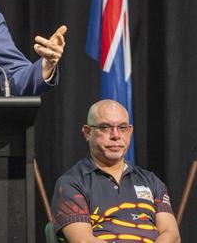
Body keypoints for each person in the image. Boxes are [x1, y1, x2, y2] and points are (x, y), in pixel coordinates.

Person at [51, 100, 181, 243]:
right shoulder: (72, 183)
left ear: (130, 132)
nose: (116, 135)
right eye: (105, 127)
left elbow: (172, 234)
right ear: (87, 132)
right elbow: (83, 241)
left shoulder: (151, 181)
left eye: (122, 127)